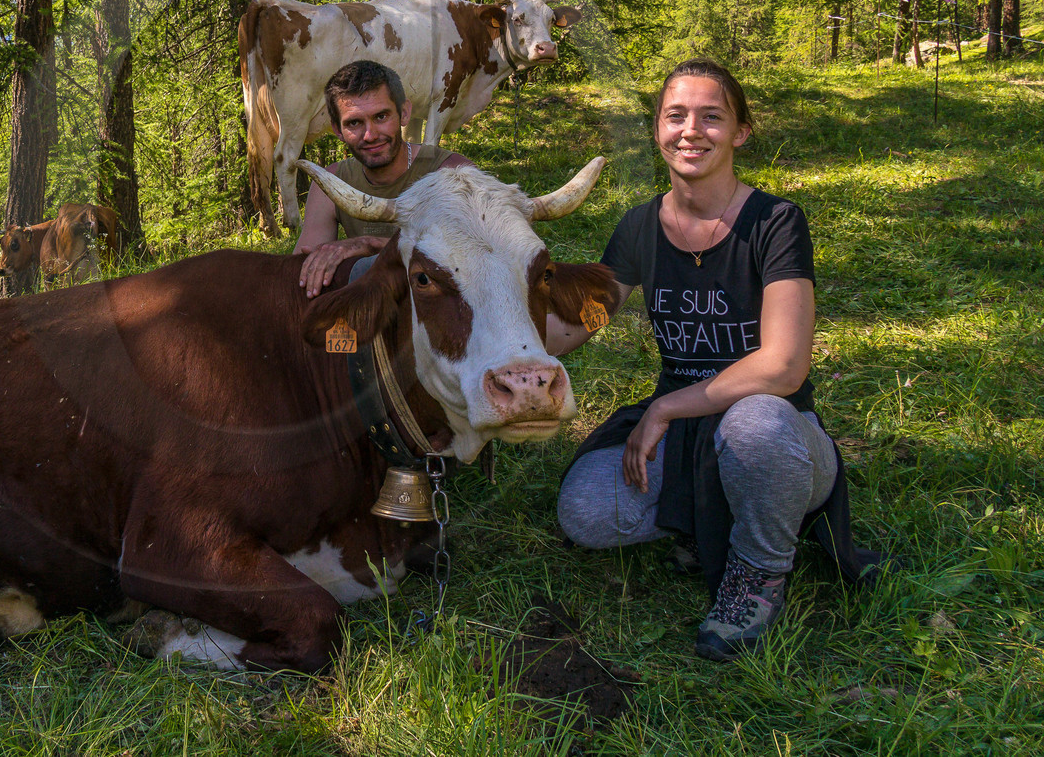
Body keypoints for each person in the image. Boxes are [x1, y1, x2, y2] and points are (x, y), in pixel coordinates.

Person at [548, 59, 882, 661]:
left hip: (779, 431)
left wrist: (665, 408)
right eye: (675, 116)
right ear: (657, 128)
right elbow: (584, 322)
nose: (690, 131)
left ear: (741, 131)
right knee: (586, 512)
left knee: (754, 424)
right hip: (688, 436)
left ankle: (759, 572)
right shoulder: (639, 229)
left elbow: (783, 367)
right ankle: (720, 521)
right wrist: (497, 309)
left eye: (711, 117)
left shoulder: (775, 223)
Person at [295, 61, 471, 297]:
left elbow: (474, 258)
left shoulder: (452, 172)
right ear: (337, 129)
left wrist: (370, 244)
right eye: (354, 123)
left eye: (381, 116)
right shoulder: (332, 181)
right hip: (373, 305)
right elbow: (305, 266)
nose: (370, 135)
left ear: (404, 113)